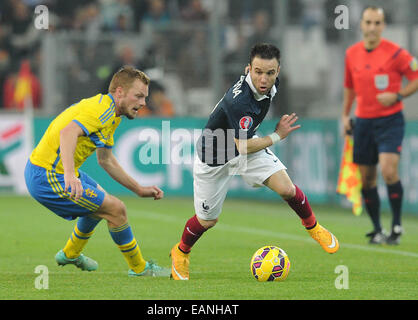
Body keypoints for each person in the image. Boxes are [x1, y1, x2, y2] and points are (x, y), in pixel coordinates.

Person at [169, 43, 339, 281]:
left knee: (287, 188)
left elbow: (246, 145)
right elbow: (243, 146)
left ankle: (313, 227)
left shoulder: (273, 85)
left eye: (269, 73)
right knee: (207, 220)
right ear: (248, 68)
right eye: (258, 71)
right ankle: (180, 252)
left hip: (245, 146)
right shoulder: (240, 102)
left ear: (277, 71)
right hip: (215, 156)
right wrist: (278, 135)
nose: (263, 78)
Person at [24, 66, 169, 277]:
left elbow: (106, 160)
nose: (143, 103)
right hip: (47, 175)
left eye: (144, 97)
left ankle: (70, 254)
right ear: (119, 92)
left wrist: (138, 189)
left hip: (47, 170)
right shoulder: (103, 111)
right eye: (138, 96)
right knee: (116, 210)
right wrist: (70, 176)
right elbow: (68, 133)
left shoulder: (112, 114)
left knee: (102, 202)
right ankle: (140, 269)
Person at [342, 6, 418, 245]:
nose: (372, 27)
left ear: (383, 26)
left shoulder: (396, 53)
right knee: (368, 179)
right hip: (363, 122)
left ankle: (396, 225)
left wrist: (398, 96)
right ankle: (377, 229)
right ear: (362, 25)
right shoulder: (351, 53)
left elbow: (416, 77)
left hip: (390, 120)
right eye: (368, 22)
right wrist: (345, 115)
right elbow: (349, 88)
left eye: (377, 23)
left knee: (388, 170)